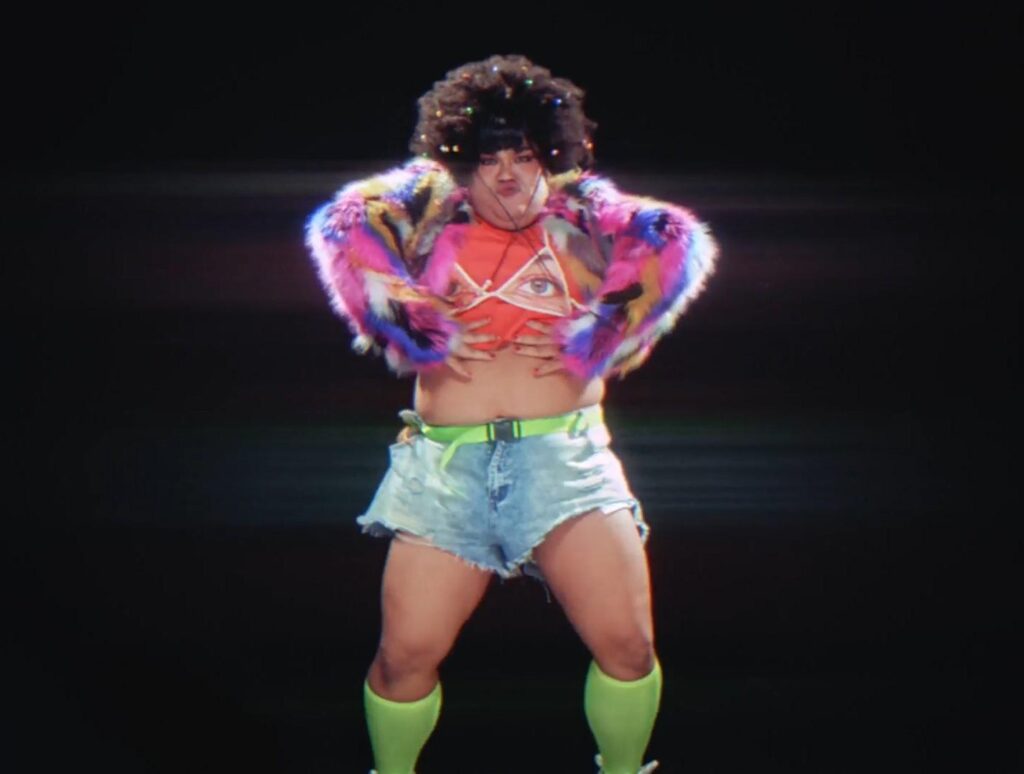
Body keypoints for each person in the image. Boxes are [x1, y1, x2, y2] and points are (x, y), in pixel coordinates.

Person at [305, 54, 718, 774]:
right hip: (447, 468)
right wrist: (413, 319)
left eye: (522, 156)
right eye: (488, 157)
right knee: (404, 657)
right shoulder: (428, 212)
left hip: (564, 462)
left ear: (549, 155)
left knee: (628, 648)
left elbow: (673, 240)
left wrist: (600, 328)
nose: (505, 174)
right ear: (460, 159)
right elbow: (343, 228)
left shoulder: (584, 219)